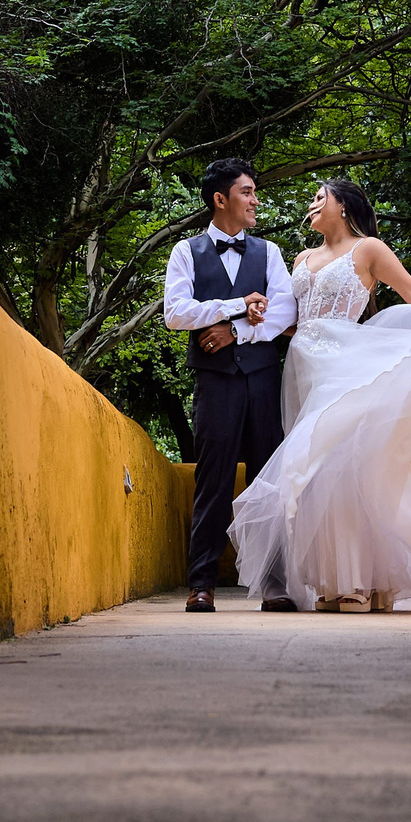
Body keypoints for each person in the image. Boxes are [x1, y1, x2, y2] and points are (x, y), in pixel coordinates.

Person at [228, 178, 411, 613]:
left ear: (344, 206)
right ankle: (338, 582)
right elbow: (292, 319)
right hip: (302, 367)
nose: (310, 205)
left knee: (343, 462)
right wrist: (246, 315)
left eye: (319, 198)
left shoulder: (369, 249)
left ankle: (359, 581)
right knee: (317, 475)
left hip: (345, 363)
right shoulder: (302, 258)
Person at [161, 158, 297, 612]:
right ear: (221, 199)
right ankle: (202, 584)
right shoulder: (186, 252)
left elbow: (284, 313)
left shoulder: (270, 252)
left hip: (262, 378)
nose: (256, 200)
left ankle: (273, 584)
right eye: (247, 192)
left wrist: (234, 330)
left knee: (267, 481)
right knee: (212, 481)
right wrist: (237, 305)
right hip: (214, 382)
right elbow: (175, 313)